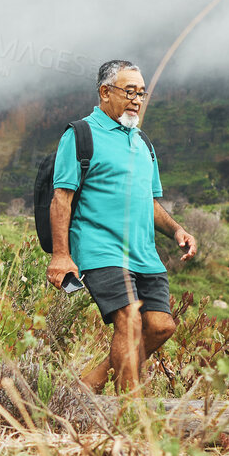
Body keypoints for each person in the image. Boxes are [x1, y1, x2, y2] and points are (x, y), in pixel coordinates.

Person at [45, 59, 197, 393]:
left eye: (142, 94)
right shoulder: (81, 135)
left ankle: (93, 380)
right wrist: (60, 255)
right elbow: (62, 198)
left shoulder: (143, 143)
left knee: (160, 326)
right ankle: (129, 413)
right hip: (100, 249)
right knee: (128, 321)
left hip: (144, 254)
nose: (137, 100)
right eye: (130, 92)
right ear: (105, 92)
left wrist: (176, 231)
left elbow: (151, 202)